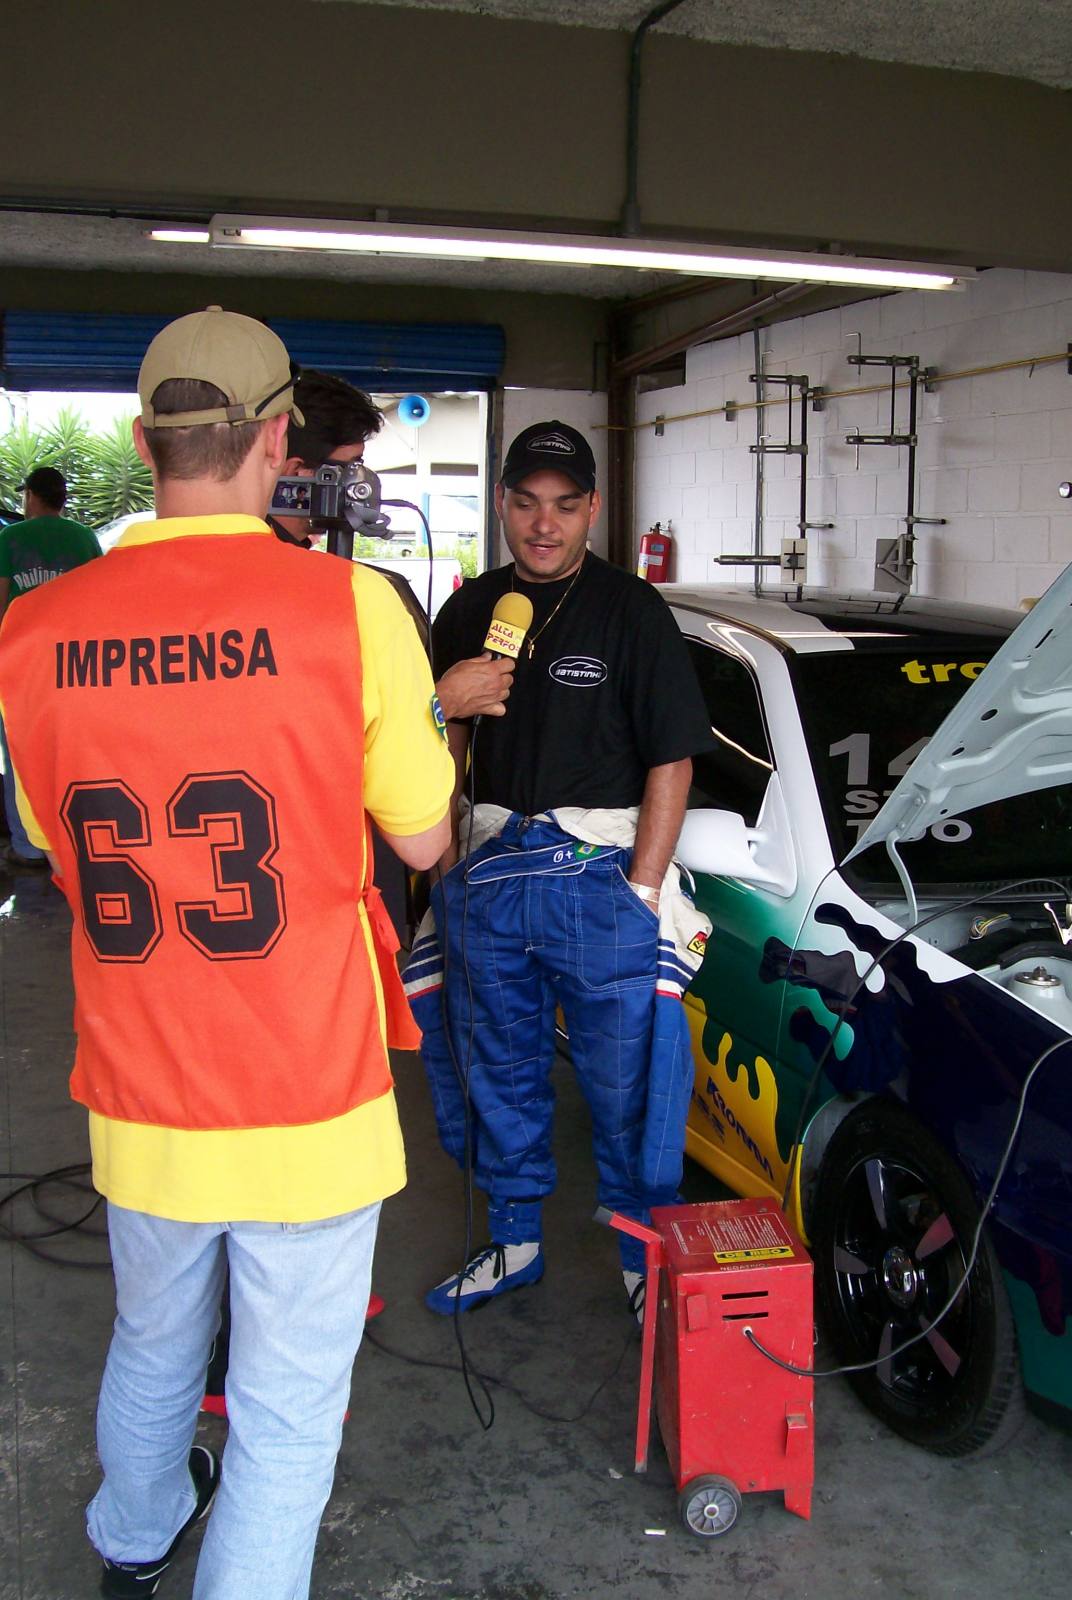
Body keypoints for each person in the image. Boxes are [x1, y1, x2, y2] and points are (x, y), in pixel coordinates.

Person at [0, 307, 454, 1600]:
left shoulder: (33, 634)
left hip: (141, 1086)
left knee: (152, 1335)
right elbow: (422, 840)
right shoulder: (350, 609)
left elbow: (44, 836)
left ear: (145, 442)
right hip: (307, 1088)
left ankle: (132, 1542)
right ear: (273, 440)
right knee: (285, 1405)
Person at [407, 420, 715, 1318]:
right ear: (502, 503)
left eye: (566, 506)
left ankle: (636, 1254)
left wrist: (644, 889)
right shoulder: (472, 612)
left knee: (626, 1083)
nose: (545, 525)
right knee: (496, 1068)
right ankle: (515, 1241)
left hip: (600, 882)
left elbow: (672, 761)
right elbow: (444, 746)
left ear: (592, 510)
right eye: (527, 503)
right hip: (490, 876)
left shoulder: (631, 610)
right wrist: (450, 861)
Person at [270, 368, 512, 722]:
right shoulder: (281, 585)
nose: (363, 483)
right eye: (351, 468)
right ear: (301, 475)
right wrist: (444, 702)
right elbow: (323, 724)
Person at [0, 466, 101, 866]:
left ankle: (26, 846)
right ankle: (71, 838)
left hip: (21, 663)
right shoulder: (82, 537)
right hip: (75, 663)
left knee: (18, 751)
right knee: (71, 749)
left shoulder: (10, 538)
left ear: (30, 497)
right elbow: (97, 598)